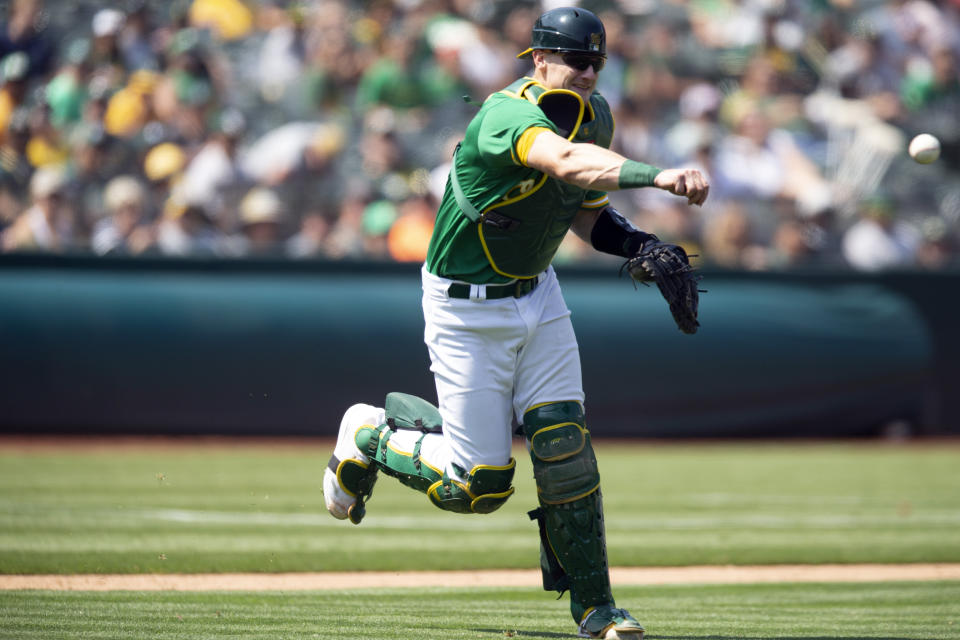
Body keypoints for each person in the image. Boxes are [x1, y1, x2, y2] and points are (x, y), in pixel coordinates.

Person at [323, 8, 708, 640]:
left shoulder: (597, 114)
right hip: (465, 307)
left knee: (565, 449)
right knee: (475, 485)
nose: (584, 73)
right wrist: (657, 176)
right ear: (538, 59)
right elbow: (562, 162)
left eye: (595, 63)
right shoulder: (509, 114)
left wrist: (638, 243)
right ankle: (368, 434)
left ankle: (597, 608)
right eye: (573, 60)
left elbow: (585, 211)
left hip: (538, 292)